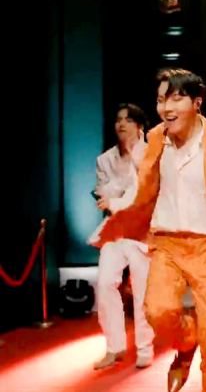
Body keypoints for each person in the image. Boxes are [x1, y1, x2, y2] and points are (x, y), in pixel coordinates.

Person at [94, 69, 206, 392]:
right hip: (167, 244)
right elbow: (144, 192)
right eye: (160, 100)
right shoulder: (156, 139)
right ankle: (186, 342)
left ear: (197, 102)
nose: (166, 108)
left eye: (176, 99)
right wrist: (121, 219)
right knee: (158, 312)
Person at [90, 103, 154, 370]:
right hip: (116, 228)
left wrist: (118, 197)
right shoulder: (105, 160)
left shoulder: (151, 153)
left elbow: (145, 193)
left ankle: (145, 347)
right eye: (118, 119)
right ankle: (114, 347)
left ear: (140, 126)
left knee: (142, 290)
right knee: (105, 283)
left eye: (128, 120)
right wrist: (117, 194)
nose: (122, 124)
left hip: (144, 229)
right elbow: (102, 194)